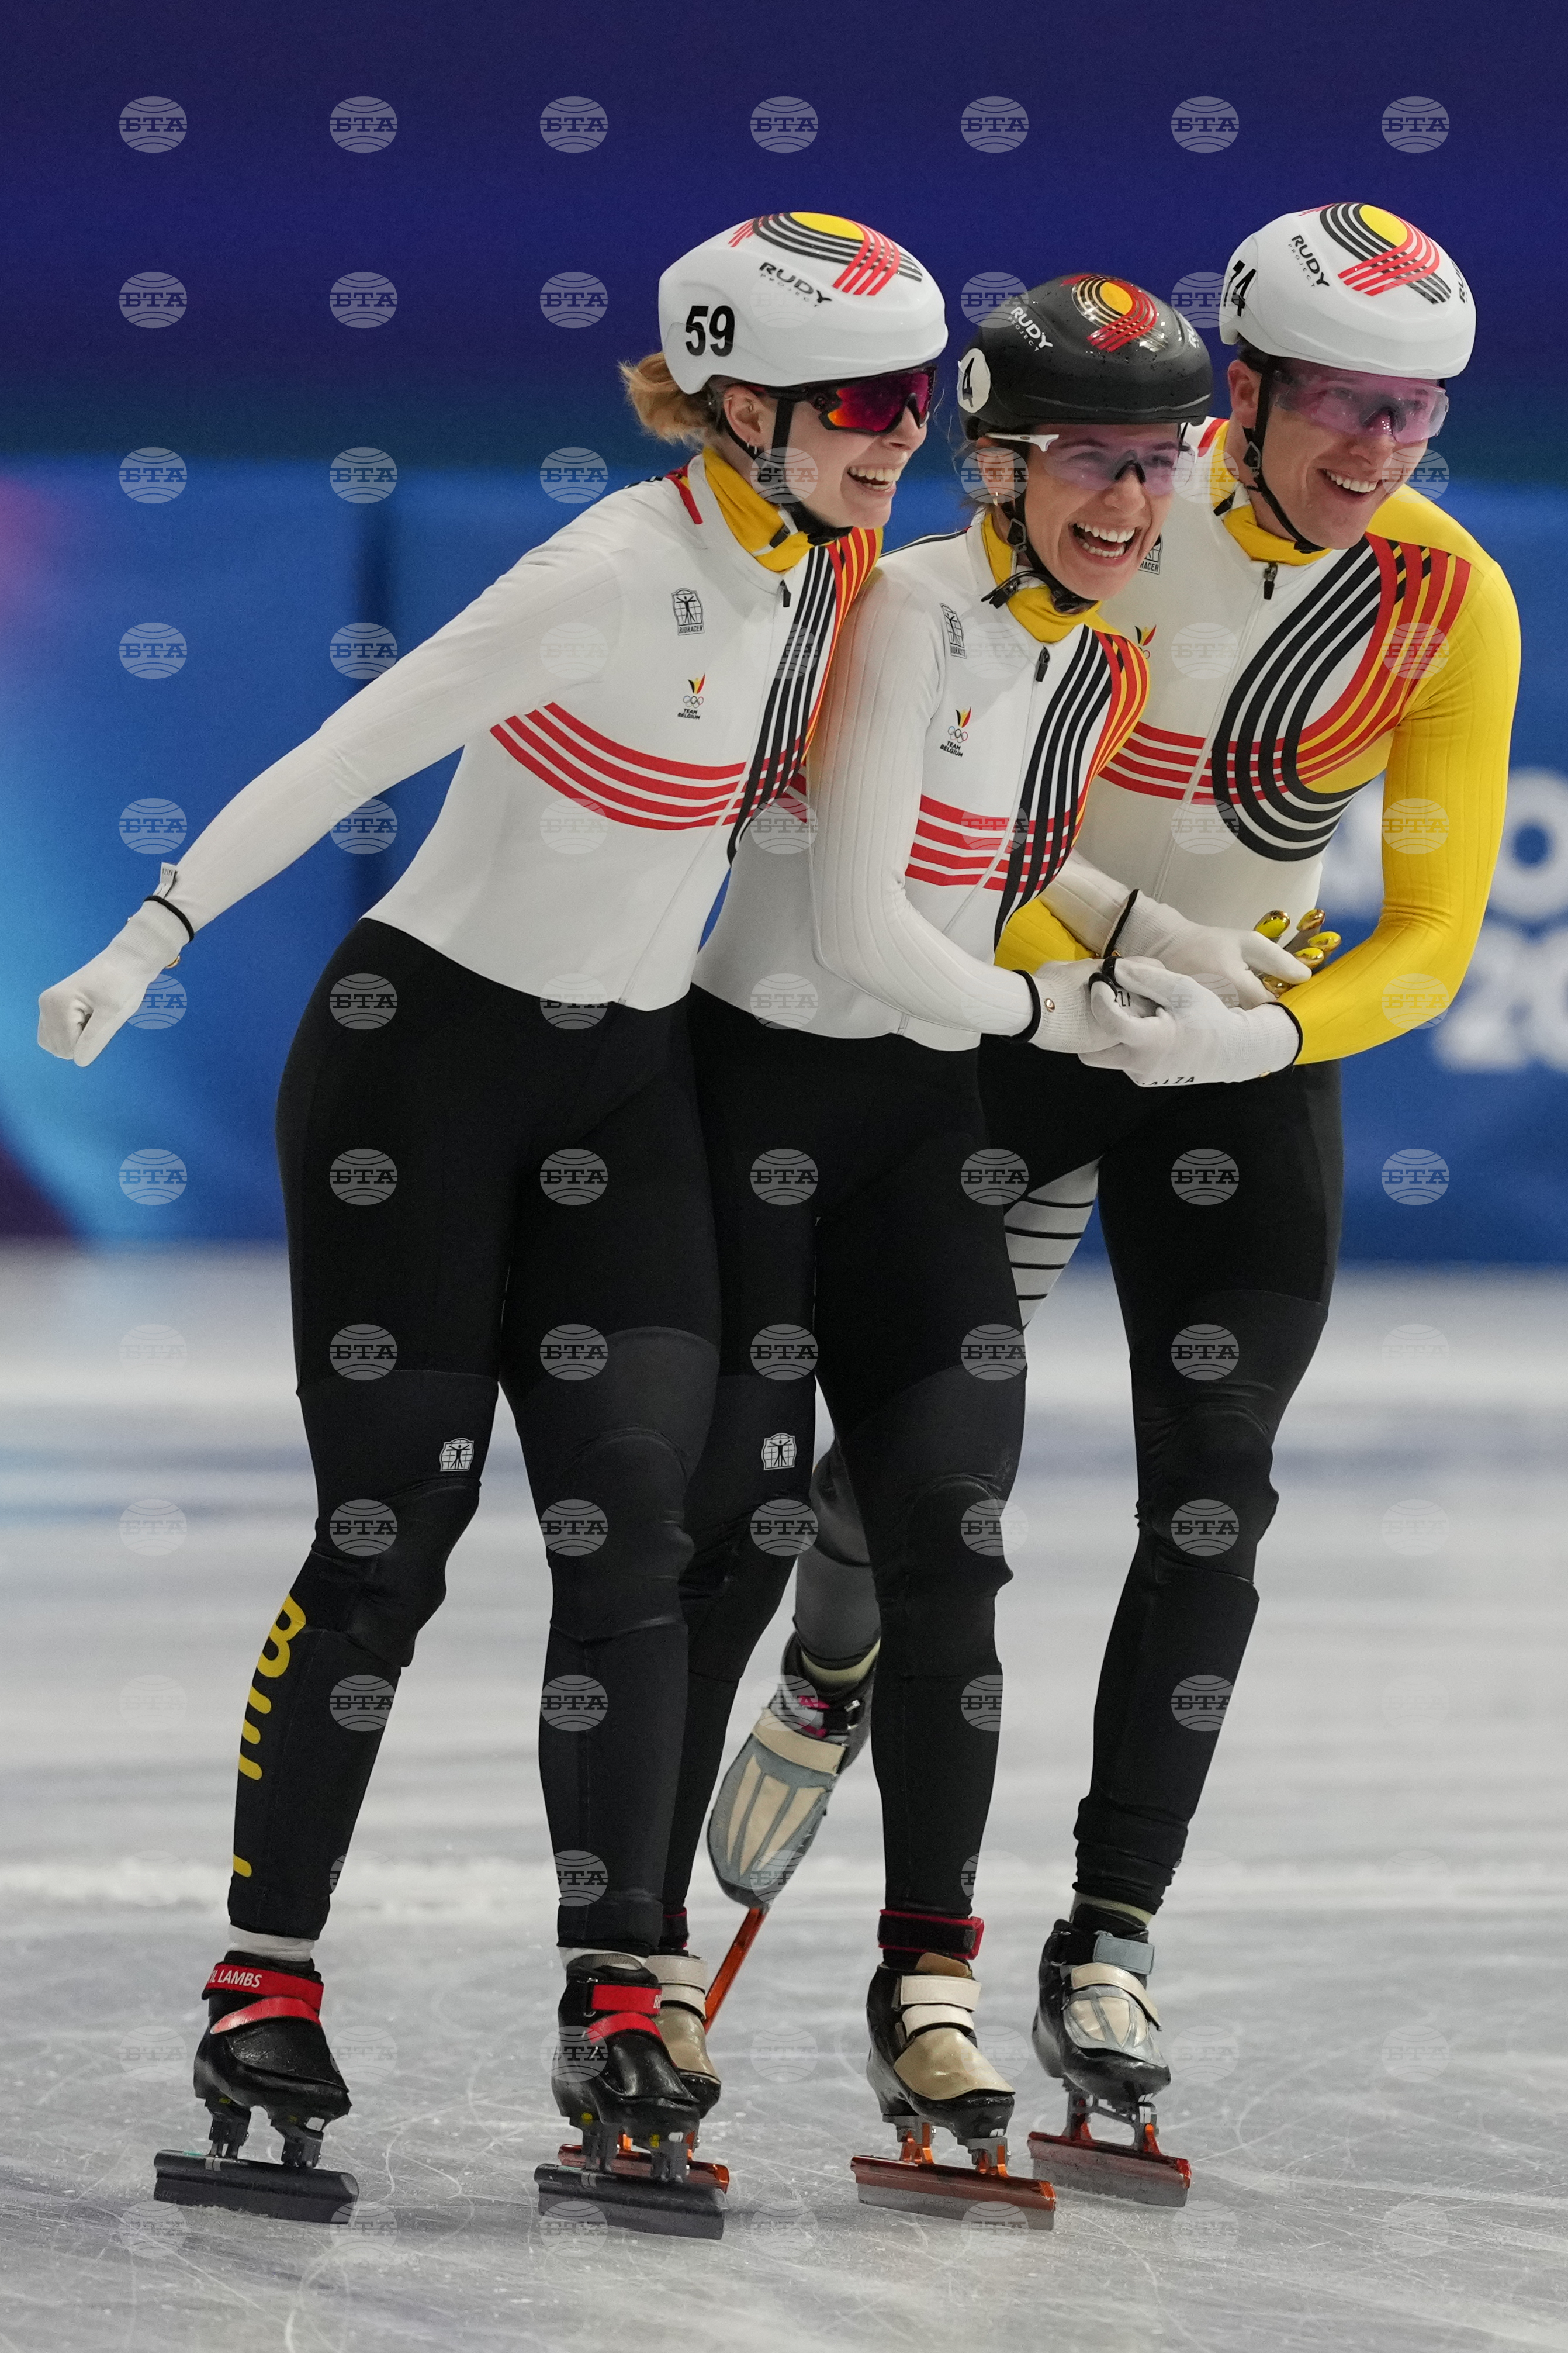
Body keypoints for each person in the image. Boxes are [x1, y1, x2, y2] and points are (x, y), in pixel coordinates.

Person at [37, 210, 946, 2214]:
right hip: (419, 1074)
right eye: (870, 402)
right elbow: (344, 751)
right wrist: (150, 933)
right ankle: (260, 1975)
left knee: (637, 1531)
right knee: (391, 1542)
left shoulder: (826, 569)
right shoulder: (600, 575)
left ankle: (618, 1988)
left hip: (619, 1089)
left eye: (927, 396)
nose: (909, 434)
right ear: (735, 397)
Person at [724, 208, 1520, 2174]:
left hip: (1240, 1050)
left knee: (1214, 1489)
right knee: (923, 1479)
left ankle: (1108, 1933)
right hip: (1026, 1015)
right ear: (1235, 387)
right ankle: (836, 1651)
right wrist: (1122, 941)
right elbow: (956, 812)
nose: (1379, 450)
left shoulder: (1447, 595)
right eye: (1342, 404)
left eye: (1416, 413)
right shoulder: (1102, 513)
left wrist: (1266, 1033)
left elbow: (1432, 929)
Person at [659, 275, 1221, 2182]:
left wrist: (1173, 945)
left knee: (951, 1551)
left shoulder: (1080, 644)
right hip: (761, 1103)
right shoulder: (904, 605)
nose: (1131, 500)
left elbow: (1005, 856)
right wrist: (1051, 1012)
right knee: (729, 1538)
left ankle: (928, 1983)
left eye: (1158, 463)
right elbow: (860, 929)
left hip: (915, 1131)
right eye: (1092, 461)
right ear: (994, 463)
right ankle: (637, 1972)